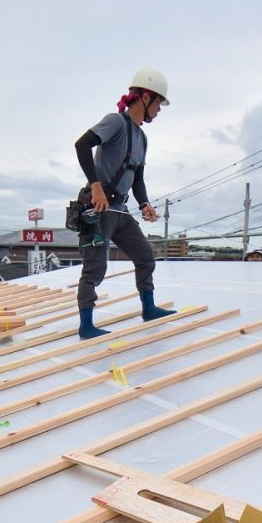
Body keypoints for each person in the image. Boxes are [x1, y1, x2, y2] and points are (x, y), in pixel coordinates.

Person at [73, 68, 175, 339]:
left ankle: (149, 308)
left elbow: (137, 177)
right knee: (95, 267)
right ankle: (86, 325)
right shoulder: (115, 122)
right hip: (100, 207)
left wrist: (144, 204)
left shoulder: (142, 138)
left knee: (145, 257)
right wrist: (95, 185)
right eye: (158, 103)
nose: (159, 110)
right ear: (145, 97)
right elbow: (82, 145)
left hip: (120, 210)